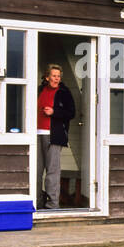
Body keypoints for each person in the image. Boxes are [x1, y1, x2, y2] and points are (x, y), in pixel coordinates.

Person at [37, 64, 76, 209]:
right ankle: (36, 201)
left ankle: (52, 204)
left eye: (58, 76)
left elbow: (71, 113)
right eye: (53, 76)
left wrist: (54, 112)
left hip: (54, 136)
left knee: (52, 171)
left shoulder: (64, 92)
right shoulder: (39, 90)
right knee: (36, 170)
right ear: (47, 77)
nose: (56, 79)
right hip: (36, 135)